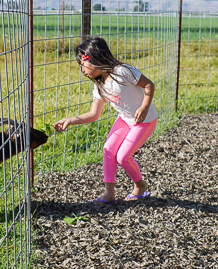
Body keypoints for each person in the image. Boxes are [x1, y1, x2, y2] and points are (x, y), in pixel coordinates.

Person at [53, 36, 158, 204]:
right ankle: (109, 194)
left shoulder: (122, 71)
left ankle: (141, 186)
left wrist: (144, 107)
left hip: (144, 121)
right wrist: (70, 120)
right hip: (125, 119)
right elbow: (94, 114)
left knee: (123, 157)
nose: (82, 70)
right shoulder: (99, 85)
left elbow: (149, 85)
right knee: (108, 149)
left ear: (94, 58)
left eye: (83, 64)